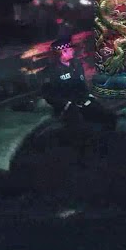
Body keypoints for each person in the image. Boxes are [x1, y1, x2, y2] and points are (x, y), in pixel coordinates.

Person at [41, 36, 101, 167]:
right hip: (67, 107)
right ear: (62, 52)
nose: (73, 51)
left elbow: (82, 84)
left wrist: (89, 97)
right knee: (79, 123)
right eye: (69, 50)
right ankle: (81, 157)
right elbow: (48, 94)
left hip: (82, 100)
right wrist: (66, 104)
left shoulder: (77, 64)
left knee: (101, 113)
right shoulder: (51, 71)